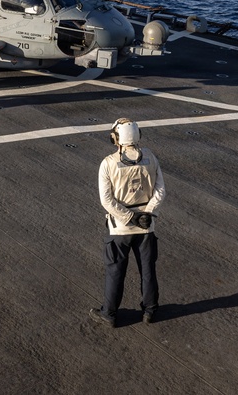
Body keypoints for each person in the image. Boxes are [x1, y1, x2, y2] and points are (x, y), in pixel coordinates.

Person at [90, 118, 165, 328]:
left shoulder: (108, 163)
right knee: (148, 270)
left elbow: (107, 201)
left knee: (115, 271)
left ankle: (109, 313)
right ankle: (150, 311)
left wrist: (129, 217)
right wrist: (146, 214)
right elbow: (160, 190)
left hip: (120, 228)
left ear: (116, 138)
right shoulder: (150, 157)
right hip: (147, 225)